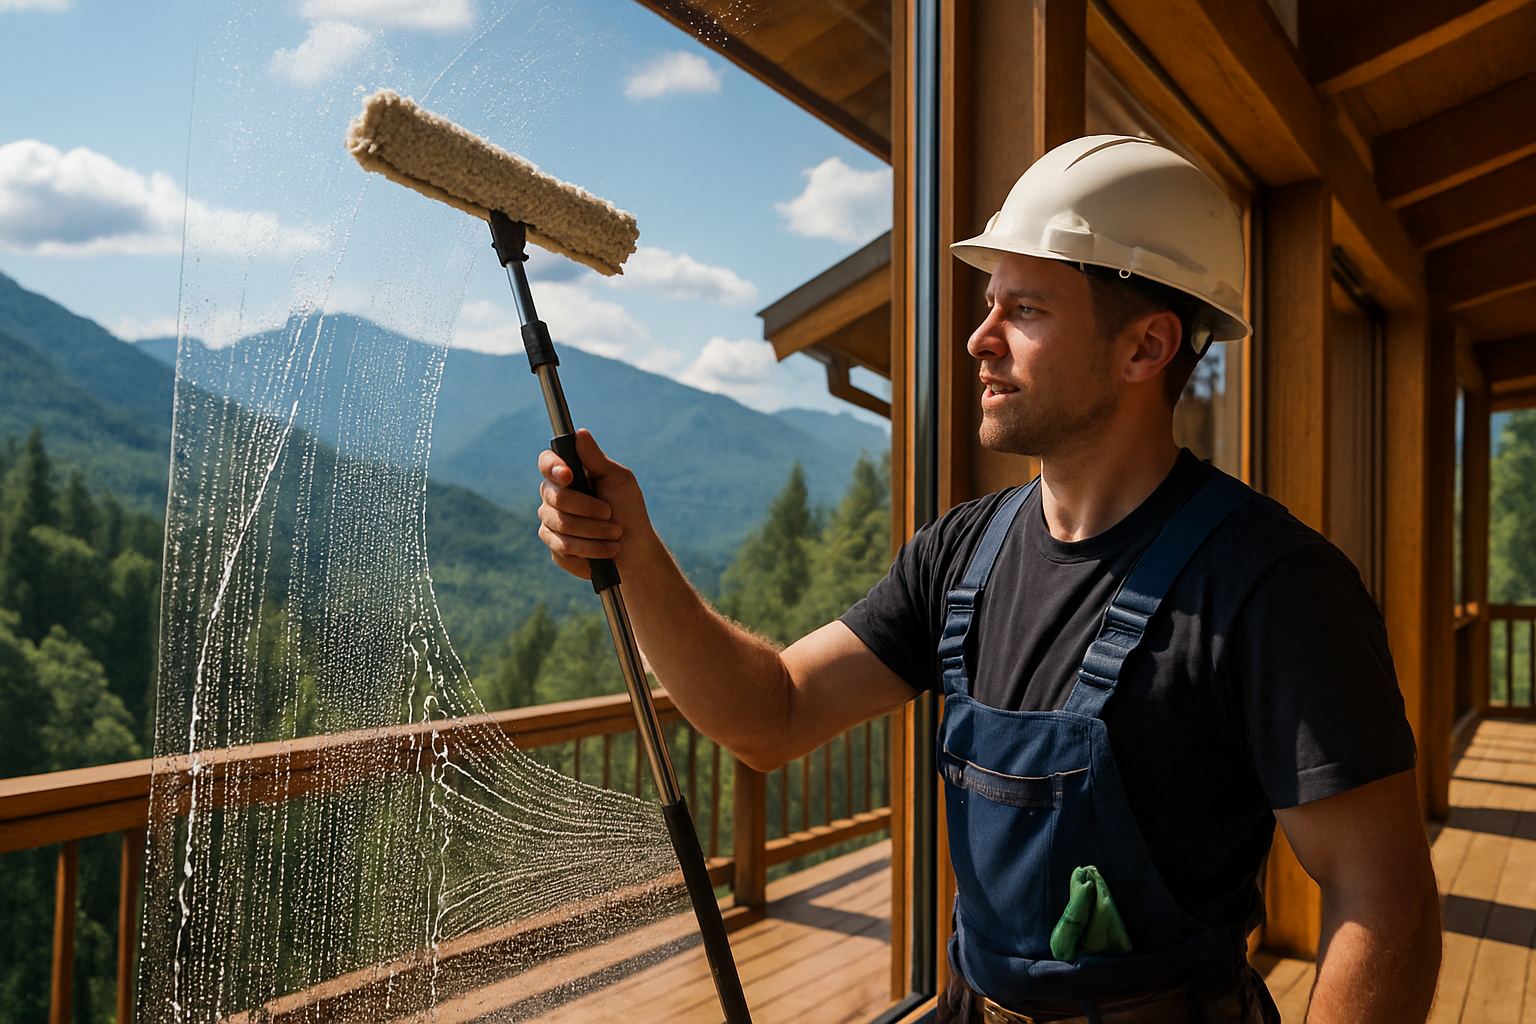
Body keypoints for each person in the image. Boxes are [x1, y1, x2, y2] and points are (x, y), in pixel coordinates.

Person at [533, 136, 1442, 1024]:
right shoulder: (959, 553)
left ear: (1146, 346)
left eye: (1026, 310)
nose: (979, 339)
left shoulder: (1274, 587)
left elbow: (1383, 900)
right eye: (989, 303)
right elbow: (770, 715)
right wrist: (635, 554)